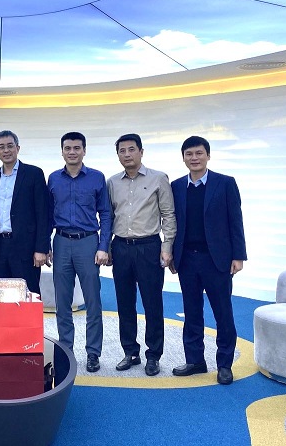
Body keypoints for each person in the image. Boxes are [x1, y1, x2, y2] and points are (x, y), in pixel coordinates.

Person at [170, 135, 247, 385]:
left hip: (217, 260)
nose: (194, 158)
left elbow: (236, 220)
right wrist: (171, 253)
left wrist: (238, 255)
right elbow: (172, 223)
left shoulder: (225, 183)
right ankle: (195, 361)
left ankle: (224, 364)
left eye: (199, 153)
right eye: (189, 154)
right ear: (183, 158)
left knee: (223, 313)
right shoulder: (176, 186)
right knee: (192, 312)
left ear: (208, 156)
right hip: (187, 260)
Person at [107, 134, 176, 376]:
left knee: (152, 303)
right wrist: (107, 247)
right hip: (121, 247)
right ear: (118, 155)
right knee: (124, 303)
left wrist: (167, 246)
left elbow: (168, 214)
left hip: (149, 247)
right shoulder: (112, 182)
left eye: (131, 149)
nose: (127, 154)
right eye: (122, 151)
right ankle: (130, 352)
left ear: (141, 152)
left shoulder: (159, 178)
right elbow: (108, 217)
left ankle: (153, 355)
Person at [48, 132, 112, 373]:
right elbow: (47, 214)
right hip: (61, 242)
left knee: (93, 301)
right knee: (62, 301)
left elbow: (106, 214)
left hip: (88, 242)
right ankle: (66, 350)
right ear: (62, 151)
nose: (72, 152)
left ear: (84, 150)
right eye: (68, 148)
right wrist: (45, 244)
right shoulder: (53, 178)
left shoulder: (96, 178)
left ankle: (93, 353)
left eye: (77, 148)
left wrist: (103, 246)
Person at [0, 130, 50, 295]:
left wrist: (41, 249)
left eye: (10, 146)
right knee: (0, 296)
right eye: (1, 147)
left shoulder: (34, 174)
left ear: (17, 148)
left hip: (26, 248)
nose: (6, 150)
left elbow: (43, 213)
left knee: (27, 295)